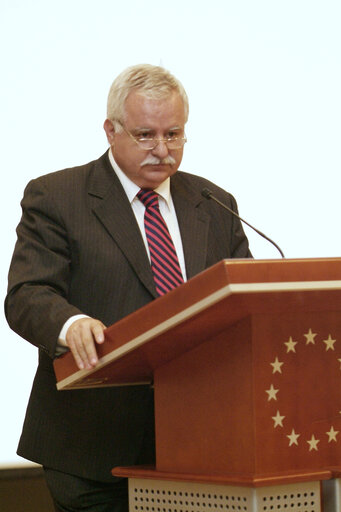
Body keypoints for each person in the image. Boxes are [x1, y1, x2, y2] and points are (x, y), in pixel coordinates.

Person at [5, 64, 252, 512]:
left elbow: (245, 304)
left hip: (200, 446)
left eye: (174, 134)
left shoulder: (214, 204)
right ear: (110, 131)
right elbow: (27, 294)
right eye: (145, 135)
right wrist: (71, 323)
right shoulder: (57, 196)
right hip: (93, 447)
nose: (162, 150)